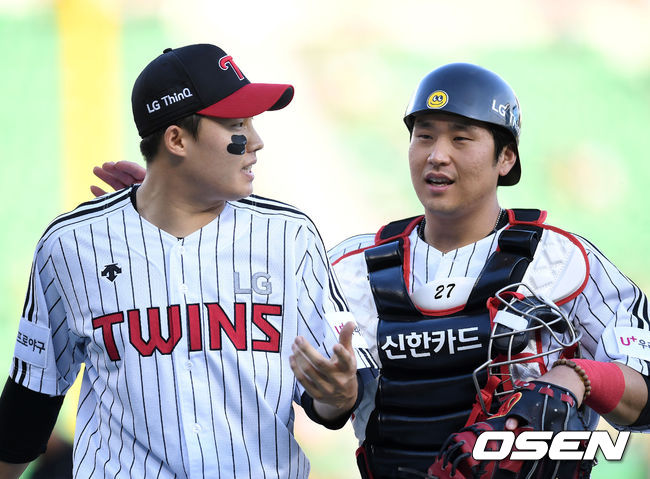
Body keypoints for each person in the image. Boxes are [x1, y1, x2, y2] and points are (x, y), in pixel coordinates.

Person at [88, 62, 650, 478]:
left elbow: (644, 394)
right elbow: (313, 391)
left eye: (461, 138)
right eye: (423, 136)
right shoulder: (352, 268)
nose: (437, 154)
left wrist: (579, 378)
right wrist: (175, 204)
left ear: (506, 158)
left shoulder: (564, 261)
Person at [0, 43, 374, 479]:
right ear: (176, 139)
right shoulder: (71, 244)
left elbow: (327, 397)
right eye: (237, 124)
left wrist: (340, 395)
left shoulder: (290, 237)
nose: (256, 141)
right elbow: (30, 403)